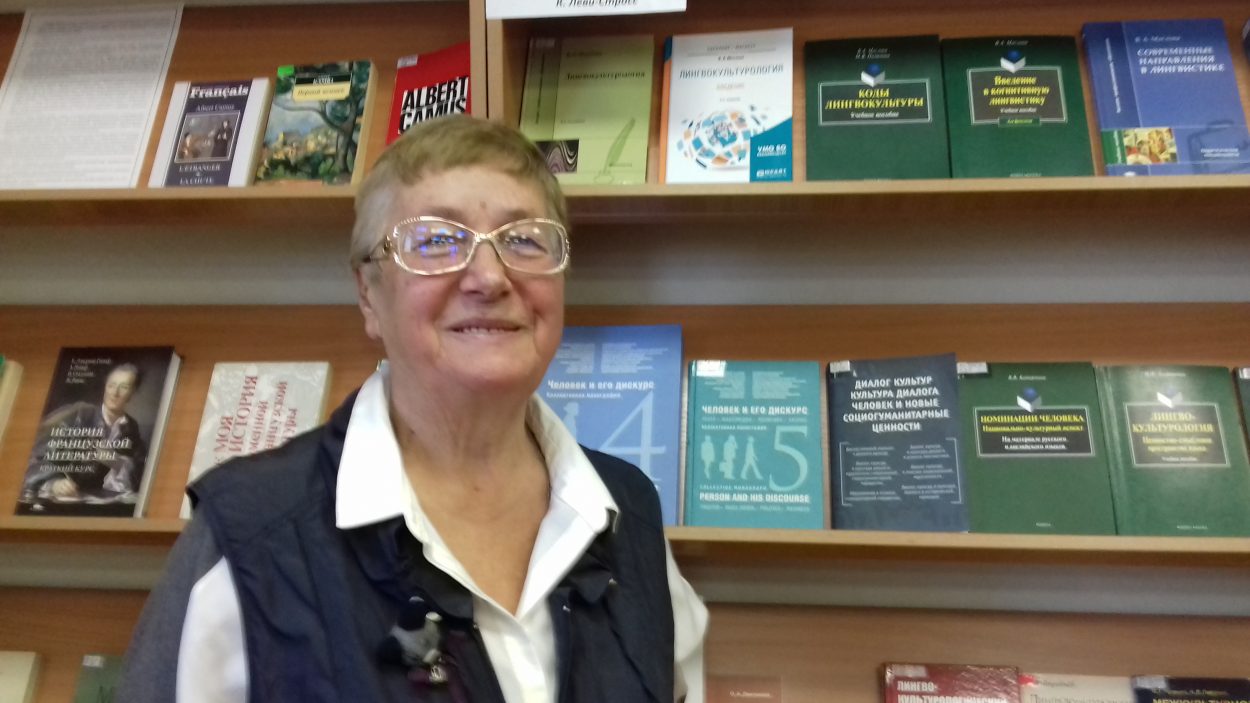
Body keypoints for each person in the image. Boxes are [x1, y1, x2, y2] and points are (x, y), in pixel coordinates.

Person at [119, 114, 708, 702]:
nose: (489, 277)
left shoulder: (628, 514)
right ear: (368, 295)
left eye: (524, 239)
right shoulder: (250, 535)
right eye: (435, 241)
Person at [19, 362, 147, 507]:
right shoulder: (78, 413)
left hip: (95, 505)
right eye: (111, 385)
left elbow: (141, 478)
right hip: (57, 503)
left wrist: (117, 462)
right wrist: (53, 482)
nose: (115, 393)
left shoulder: (131, 428)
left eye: (124, 387)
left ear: (132, 393)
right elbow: (32, 453)